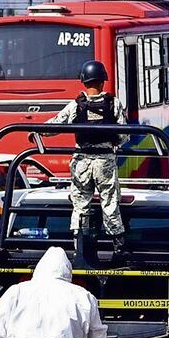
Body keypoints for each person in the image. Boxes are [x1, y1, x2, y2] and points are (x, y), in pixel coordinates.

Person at [47, 60, 128, 257]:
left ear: (83, 81)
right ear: (103, 81)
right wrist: (114, 142)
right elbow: (124, 134)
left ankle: (80, 247)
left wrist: (35, 133)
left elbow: (56, 124)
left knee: (80, 204)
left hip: (81, 161)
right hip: (105, 161)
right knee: (110, 203)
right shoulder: (113, 103)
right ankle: (118, 247)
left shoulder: (76, 104)